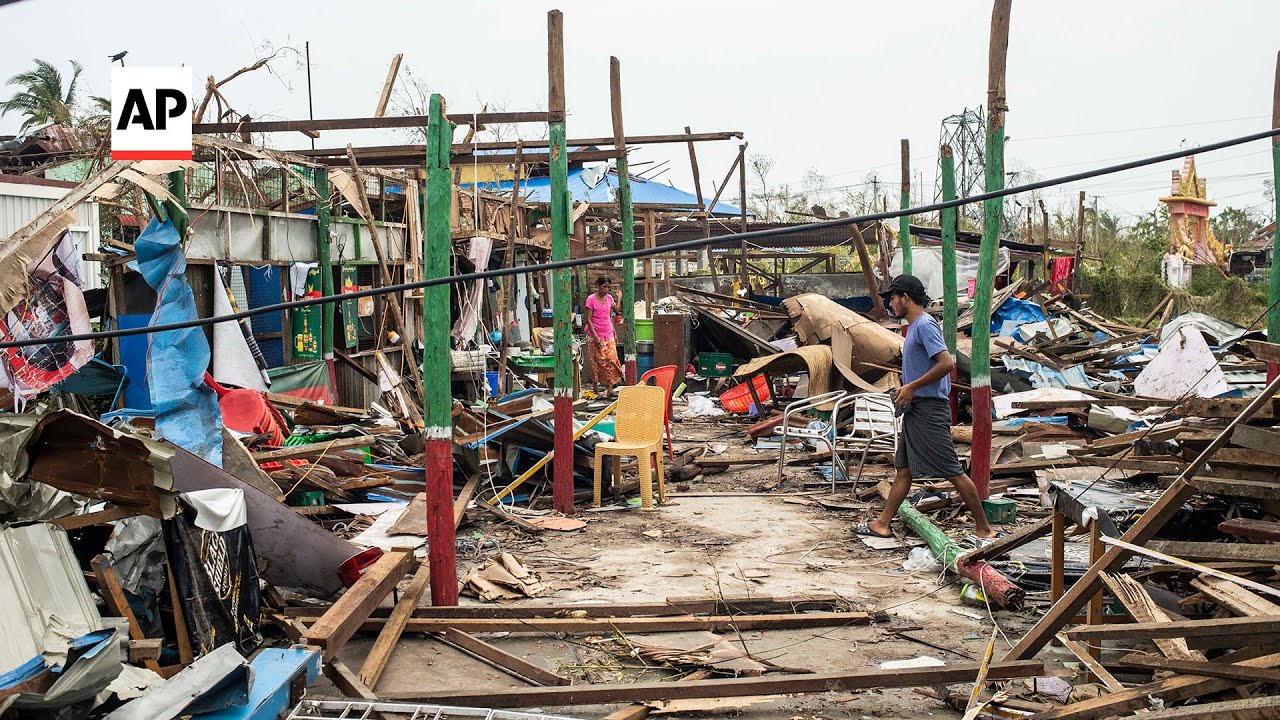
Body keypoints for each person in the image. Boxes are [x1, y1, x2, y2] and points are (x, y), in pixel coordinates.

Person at [854, 274, 997, 540]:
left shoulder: (924, 325)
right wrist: (907, 387)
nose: (891, 304)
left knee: (952, 471)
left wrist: (912, 387)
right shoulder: (914, 328)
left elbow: (946, 363)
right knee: (904, 470)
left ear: (905, 298)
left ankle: (984, 528)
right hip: (916, 408)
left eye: (893, 298)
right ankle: (883, 523)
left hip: (928, 409)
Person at [583, 276, 624, 397]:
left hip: (608, 333)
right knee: (596, 362)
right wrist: (595, 336)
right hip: (595, 334)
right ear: (598, 286)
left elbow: (615, 311)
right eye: (604, 287)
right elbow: (588, 319)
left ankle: (610, 388)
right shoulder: (591, 300)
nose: (606, 290)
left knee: (612, 360)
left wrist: (619, 298)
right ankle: (595, 389)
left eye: (608, 287)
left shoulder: (610, 298)